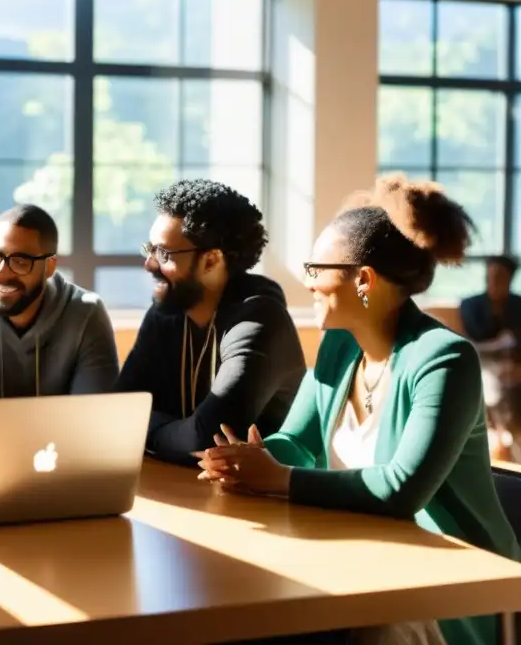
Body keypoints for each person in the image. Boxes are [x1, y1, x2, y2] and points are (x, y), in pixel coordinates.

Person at [196, 174, 521, 645]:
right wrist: (253, 456)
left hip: (454, 580)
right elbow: (300, 442)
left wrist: (276, 477)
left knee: (371, 630)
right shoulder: (337, 347)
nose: (306, 281)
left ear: (363, 280)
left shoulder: (444, 359)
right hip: (365, 556)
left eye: (316, 268)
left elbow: (401, 489)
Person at [115, 179, 304, 465]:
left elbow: (207, 437)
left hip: (260, 502)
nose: (149, 264)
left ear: (211, 261)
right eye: (149, 250)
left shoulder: (260, 320)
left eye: (163, 254)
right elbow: (119, 412)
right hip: (181, 486)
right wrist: (163, 431)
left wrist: (146, 429)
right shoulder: (166, 313)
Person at [0, 204, 118, 412]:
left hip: (65, 447)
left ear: (50, 267)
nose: (1, 274)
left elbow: (92, 422)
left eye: (19, 261)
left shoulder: (86, 314)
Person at [459, 255, 521, 347]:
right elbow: (476, 335)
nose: (493, 281)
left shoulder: (518, 304)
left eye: (499, 277)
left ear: (510, 278)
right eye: (489, 277)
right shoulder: (469, 304)